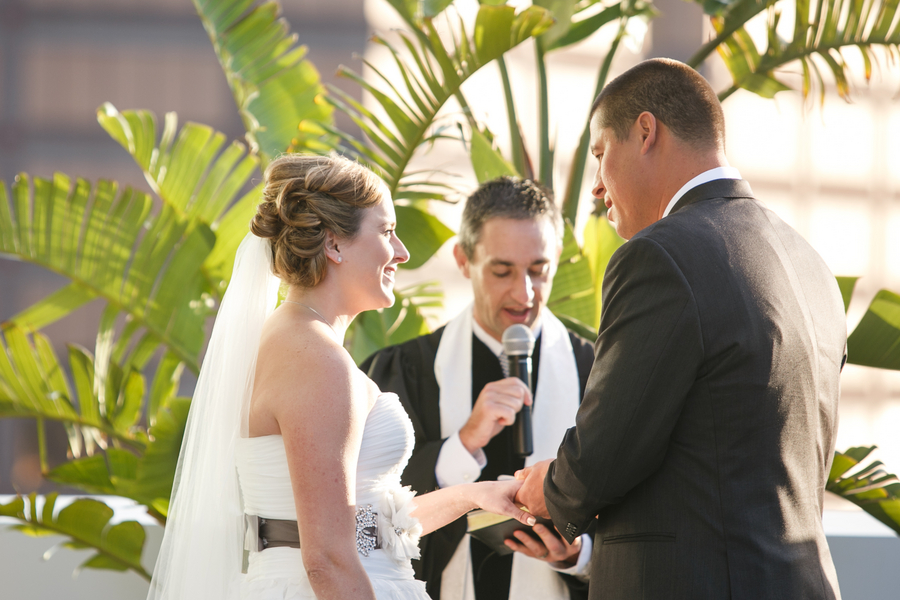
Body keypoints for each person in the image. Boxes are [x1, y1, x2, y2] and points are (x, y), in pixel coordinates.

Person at [516, 58, 846, 599]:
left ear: (646, 132)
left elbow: (606, 450)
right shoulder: (809, 261)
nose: (596, 189)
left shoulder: (660, 256)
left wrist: (550, 488)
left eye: (600, 155)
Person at [146, 155, 538, 600]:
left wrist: (476, 495)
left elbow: (366, 527)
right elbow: (328, 559)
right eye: (387, 231)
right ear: (333, 245)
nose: (403, 253)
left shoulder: (295, 341)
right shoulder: (316, 359)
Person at [362, 177, 595, 600]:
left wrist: (578, 555)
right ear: (464, 259)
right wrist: (463, 444)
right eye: (502, 270)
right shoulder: (408, 369)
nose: (524, 293)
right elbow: (368, 512)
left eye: (539, 270)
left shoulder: (597, 370)